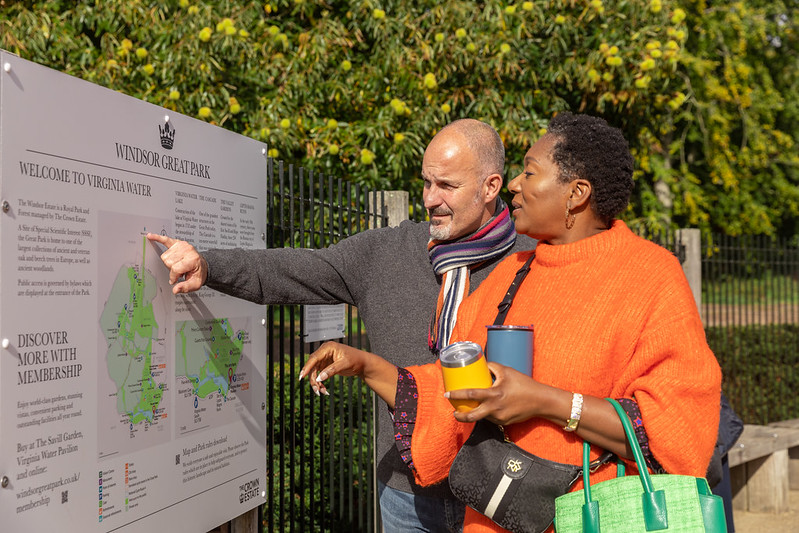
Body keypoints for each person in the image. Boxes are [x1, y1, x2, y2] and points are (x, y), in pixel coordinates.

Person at [299, 112, 723, 532]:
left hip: (596, 518)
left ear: (576, 193)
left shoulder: (650, 276)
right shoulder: (513, 273)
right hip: (493, 520)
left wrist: (544, 401)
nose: (514, 184)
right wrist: (366, 365)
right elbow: (451, 391)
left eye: (529, 173)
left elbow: (678, 429)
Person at [147, 118, 535, 533]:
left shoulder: (535, 261)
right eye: (426, 183)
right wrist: (208, 264)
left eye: (447, 186)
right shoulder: (387, 253)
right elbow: (296, 268)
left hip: (502, 488)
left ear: (491, 187)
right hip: (407, 494)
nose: (430, 199)